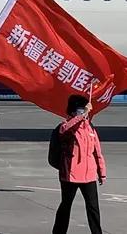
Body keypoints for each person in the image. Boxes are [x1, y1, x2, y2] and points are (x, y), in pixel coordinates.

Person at [52, 95, 106, 234]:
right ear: (72, 111)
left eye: (84, 109)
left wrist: (102, 172)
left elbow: (97, 152)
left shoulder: (90, 128)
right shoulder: (66, 127)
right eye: (80, 110)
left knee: (93, 207)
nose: (83, 112)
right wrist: (83, 115)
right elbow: (64, 130)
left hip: (89, 175)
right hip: (70, 175)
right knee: (66, 205)